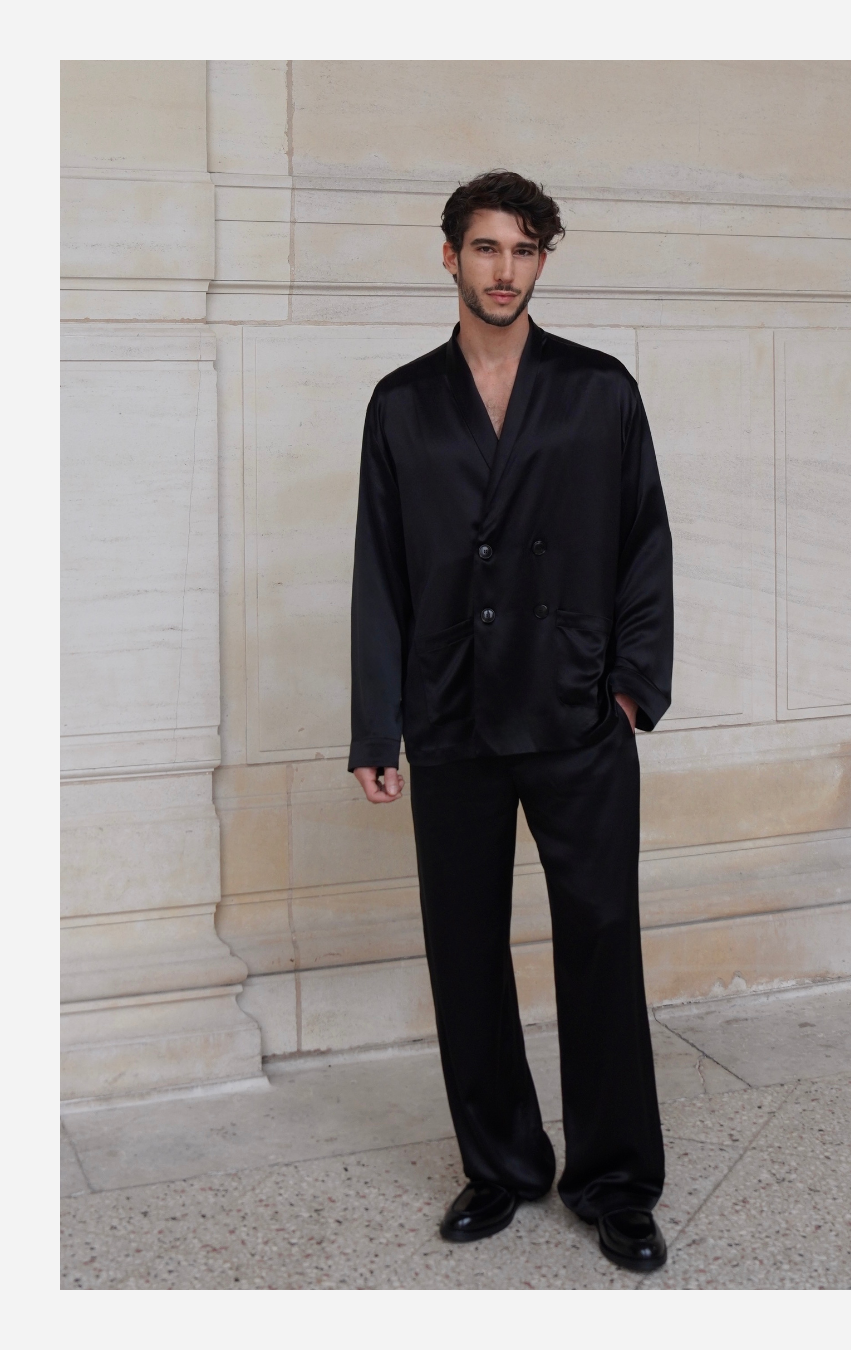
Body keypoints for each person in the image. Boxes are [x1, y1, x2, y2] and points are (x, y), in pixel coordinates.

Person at [349, 169, 674, 1273]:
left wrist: (630, 687)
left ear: (543, 261)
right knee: (464, 948)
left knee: (601, 940)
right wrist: (377, 728)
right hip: (450, 709)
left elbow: (645, 541)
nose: (504, 270)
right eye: (486, 247)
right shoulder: (402, 402)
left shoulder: (598, 389)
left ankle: (617, 1182)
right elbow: (380, 571)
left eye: (524, 250)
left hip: (578, 707)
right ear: (450, 256)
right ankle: (499, 1165)